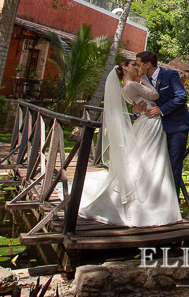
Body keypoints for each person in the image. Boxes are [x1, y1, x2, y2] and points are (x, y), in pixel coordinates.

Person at [75, 60, 181, 227]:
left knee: (146, 157)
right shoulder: (133, 85)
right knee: (149, 158)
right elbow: (155, 96)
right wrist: (145, 78)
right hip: (150, 122)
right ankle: (150, 202)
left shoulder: (126, 87)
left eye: (137, 65)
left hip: (144, 121)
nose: (137, 68)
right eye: (134, 65)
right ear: (124, 68)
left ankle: (153, 199)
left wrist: (135, 110)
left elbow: (136, 105)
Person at [134, 51, 189, 203]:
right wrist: (136, 110)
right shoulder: (142, 81)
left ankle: (172, 204)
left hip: (176, 127)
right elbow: (143, 104)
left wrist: (162, 110)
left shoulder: (170, 75)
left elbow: (181, 96)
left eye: (139, 64)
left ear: (148, 64)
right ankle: (155, 202)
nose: (137, 68)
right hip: (155, 130)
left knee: (174, 166)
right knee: (155, 166)